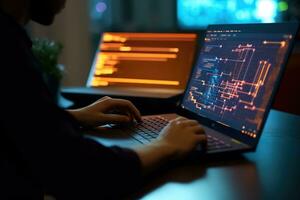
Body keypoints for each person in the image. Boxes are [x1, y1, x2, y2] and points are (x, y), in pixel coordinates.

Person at [0, 0, 207, 199]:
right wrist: (165, 145)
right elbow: (79, 172)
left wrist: (70, 118)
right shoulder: (6, 48)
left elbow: (16, 125)